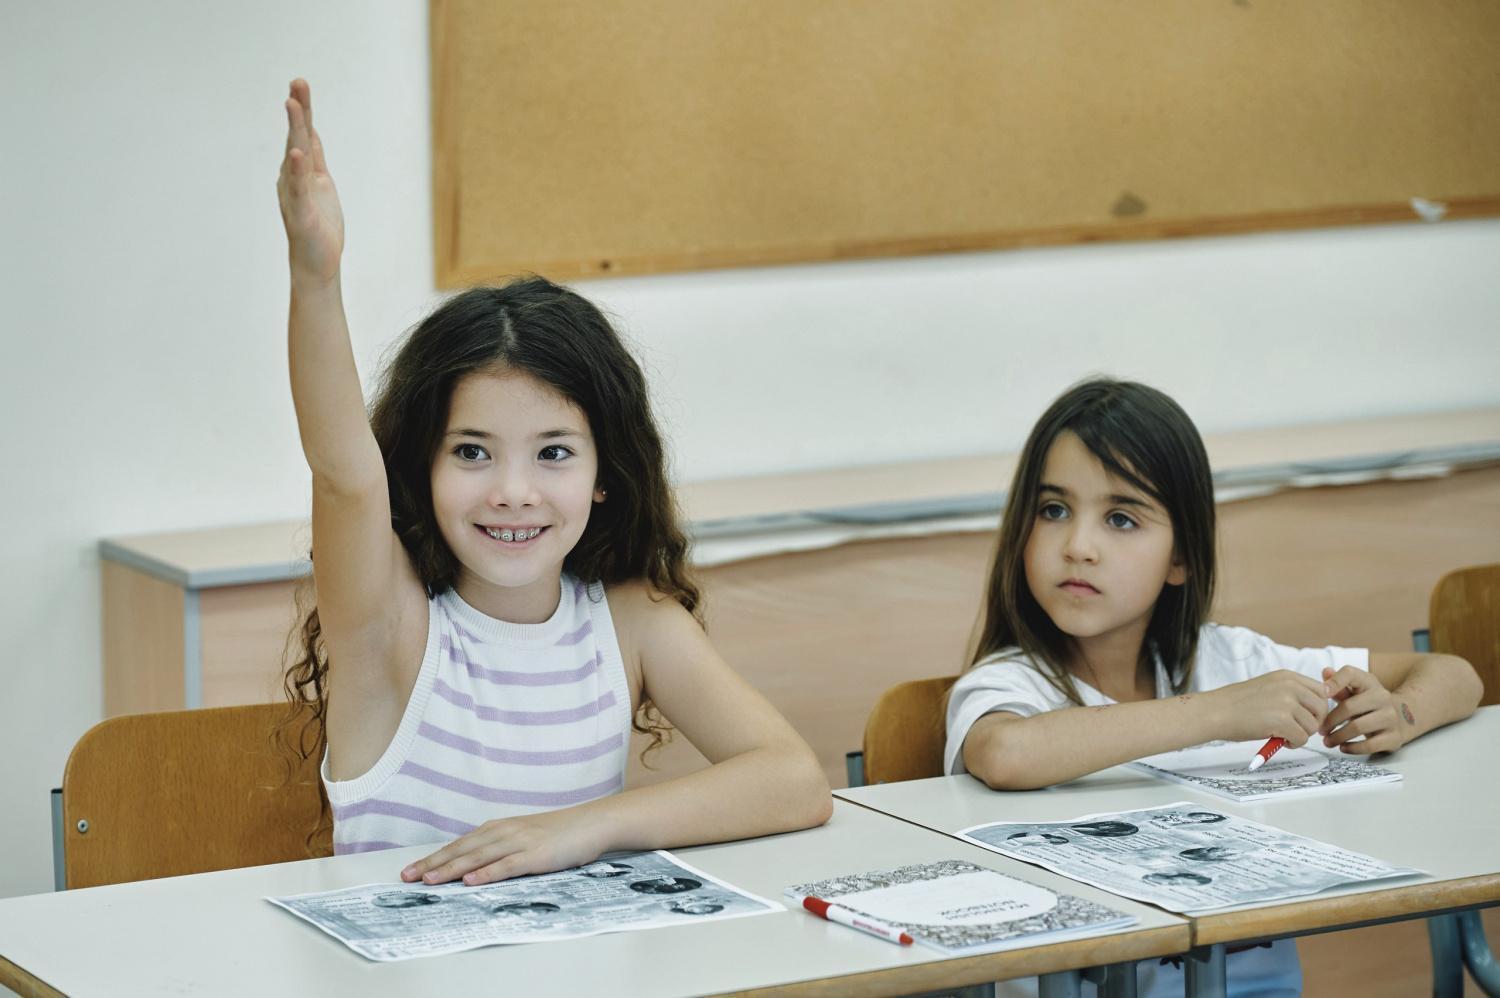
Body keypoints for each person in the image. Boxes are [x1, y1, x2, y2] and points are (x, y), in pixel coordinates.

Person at [274, 79, 831, 888]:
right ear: (422, 467)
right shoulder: (389, 626)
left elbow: (793, 779)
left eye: (554, 453)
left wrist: (586, 827)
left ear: (606, 475)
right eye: (472, 452)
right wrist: (316, 280)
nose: (513, 490)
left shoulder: (630, 620)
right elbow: (342, 475)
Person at [945, 377, 1482, 996]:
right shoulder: (1010, 680)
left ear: (1181, 559)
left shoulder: (1230, 658)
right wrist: (1220, 712)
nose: (1079, 546)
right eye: (1054, 510)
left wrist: (1399, 714)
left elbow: (1455, 674)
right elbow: (1007, 753)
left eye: (1121, 518)